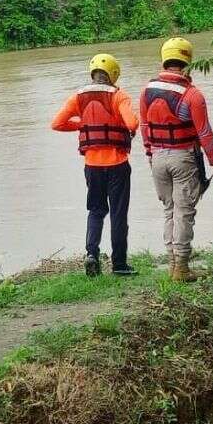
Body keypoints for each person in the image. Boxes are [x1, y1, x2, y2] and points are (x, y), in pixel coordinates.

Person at [139, 37, 213, 282]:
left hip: (157, 157)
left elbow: (144, 126)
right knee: (184, 212)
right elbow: (205, 133)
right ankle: (183, 267)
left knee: (169, 209)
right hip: (183, 158)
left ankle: (171, 264)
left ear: (164, 58)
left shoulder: (147, 90)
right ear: (187, 60)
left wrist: (150, 154)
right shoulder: (192, 95)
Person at [51, 53, 139, 277]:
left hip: (92, 166)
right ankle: (119, 265)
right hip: (118, 164)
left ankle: (91, 254)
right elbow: (132, 123)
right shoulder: (120, 96)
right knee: (118, 214)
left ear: (93, 74)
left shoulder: (77, 97)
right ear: (113, 75)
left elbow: (57, 124)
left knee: (96, 210)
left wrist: (82, 125)